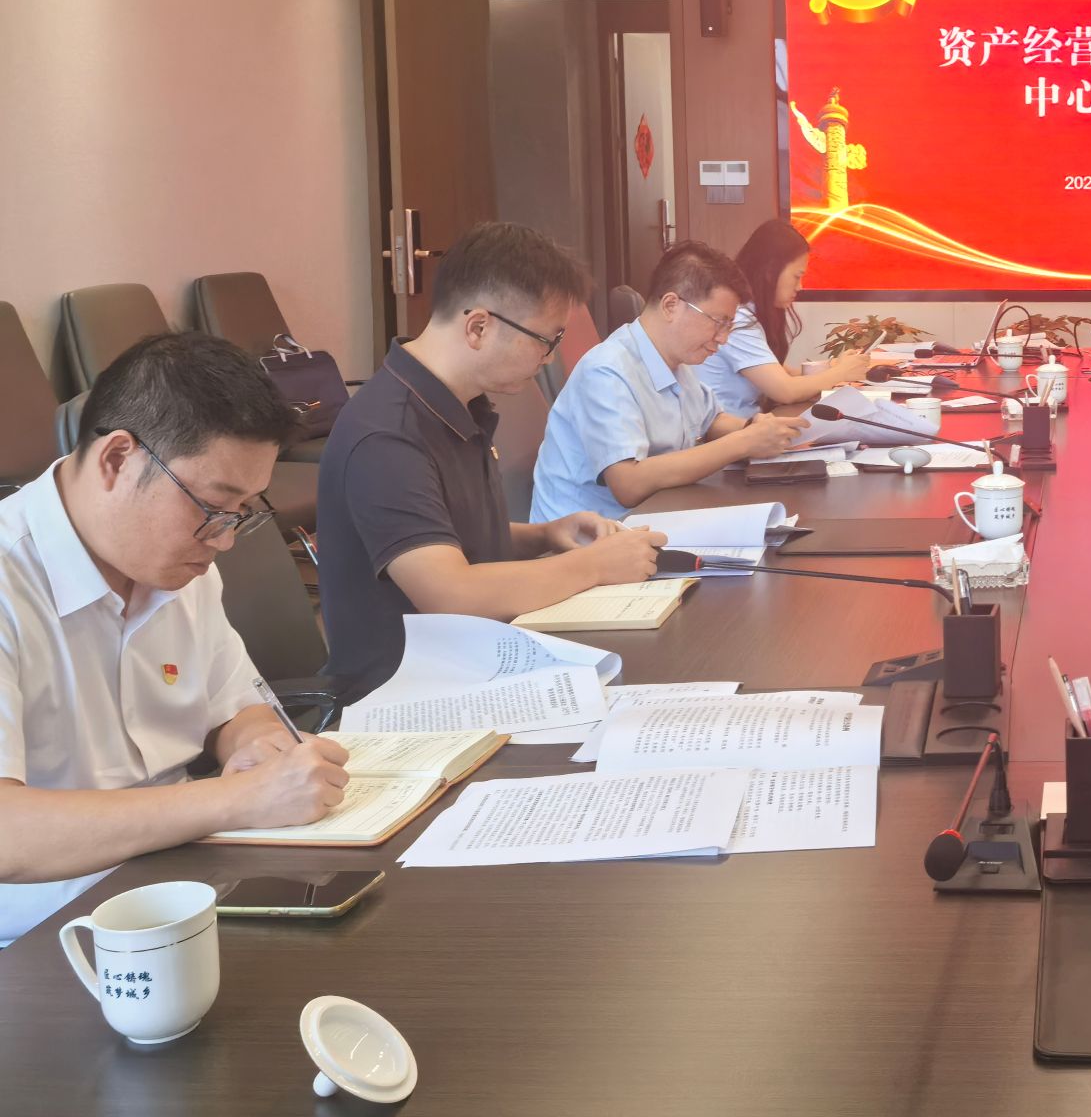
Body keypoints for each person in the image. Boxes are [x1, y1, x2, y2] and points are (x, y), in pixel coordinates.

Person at [0, 334, 352, 947]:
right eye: (213, 506)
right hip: (51, 933)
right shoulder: (10, 580)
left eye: (243, 511)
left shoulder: (181, 570)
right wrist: (235, 799)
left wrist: (259, 745)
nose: (225, 541)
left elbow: (234, 707)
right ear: (117, 459)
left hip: (185, 885)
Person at [318, 222, 664, 701]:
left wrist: (546, 534)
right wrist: (595, 565)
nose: (549, 358)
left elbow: (446, 537)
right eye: (545, 339)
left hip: (478, 656)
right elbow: (450, 592)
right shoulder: (386, 434)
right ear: (478, 327)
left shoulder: (455, 402)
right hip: (409, 693)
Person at [530, 240, 805, 524]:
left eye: (729, 326)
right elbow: (628, 483)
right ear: (671, 305)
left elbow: (711, 420)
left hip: (653, 517)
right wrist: (743, 442)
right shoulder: (607, 370)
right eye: (718, 322)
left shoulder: (677, 361)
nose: (723, 338)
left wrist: (760, 431)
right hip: (592, 537)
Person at [697, 219, 872, 417]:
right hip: (731, 429)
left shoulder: (751, 313)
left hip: (750, 423)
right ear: (770, 271)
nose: (800, 287)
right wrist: (840, 373)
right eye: (797, 276)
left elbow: (781, 372)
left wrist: (834, 368)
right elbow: (785, 390)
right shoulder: (738, 320)